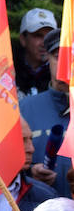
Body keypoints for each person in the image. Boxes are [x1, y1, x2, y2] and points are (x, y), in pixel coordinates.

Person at [20, 28, 71, 199]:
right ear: (47, 59)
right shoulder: (23, 109)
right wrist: (30, 171)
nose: (66, 65)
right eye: (59, 57)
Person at [16, 7, 56, 96]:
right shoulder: (8, 71)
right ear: (23, 39)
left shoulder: (64, 74)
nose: (44, 42)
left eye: (50, 35)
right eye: (38, 35)